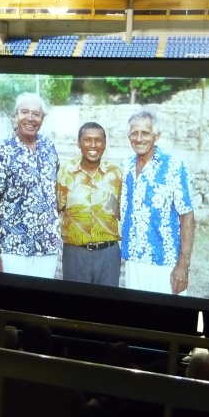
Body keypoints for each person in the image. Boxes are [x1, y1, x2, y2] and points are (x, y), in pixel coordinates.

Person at [0, 92, 61, 278]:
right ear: (15, 115)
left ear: (43, 118)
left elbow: (52, 192)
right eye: (24, 112)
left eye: (36, 114)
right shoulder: (1, 152)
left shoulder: (49, 147)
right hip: (13, 249)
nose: (30, 118)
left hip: (46, 248)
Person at [120, 110, 195, 295]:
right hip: (133, 259)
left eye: (145, 133)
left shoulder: (174, 166)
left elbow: (187, 216)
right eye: (134, 133)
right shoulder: (125, 167)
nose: (139, 139)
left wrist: (183, 266)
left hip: (166, 262)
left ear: (156, 135)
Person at [57, 122, 122, 285]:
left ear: (105, 144)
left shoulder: (116, 173)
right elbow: (58, 207)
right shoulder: (65, 172)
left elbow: (122, 210)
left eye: (98, 140)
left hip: (108, 254)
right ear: (79, 143)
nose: (93, 145)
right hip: (75, 254)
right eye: (87, 140)